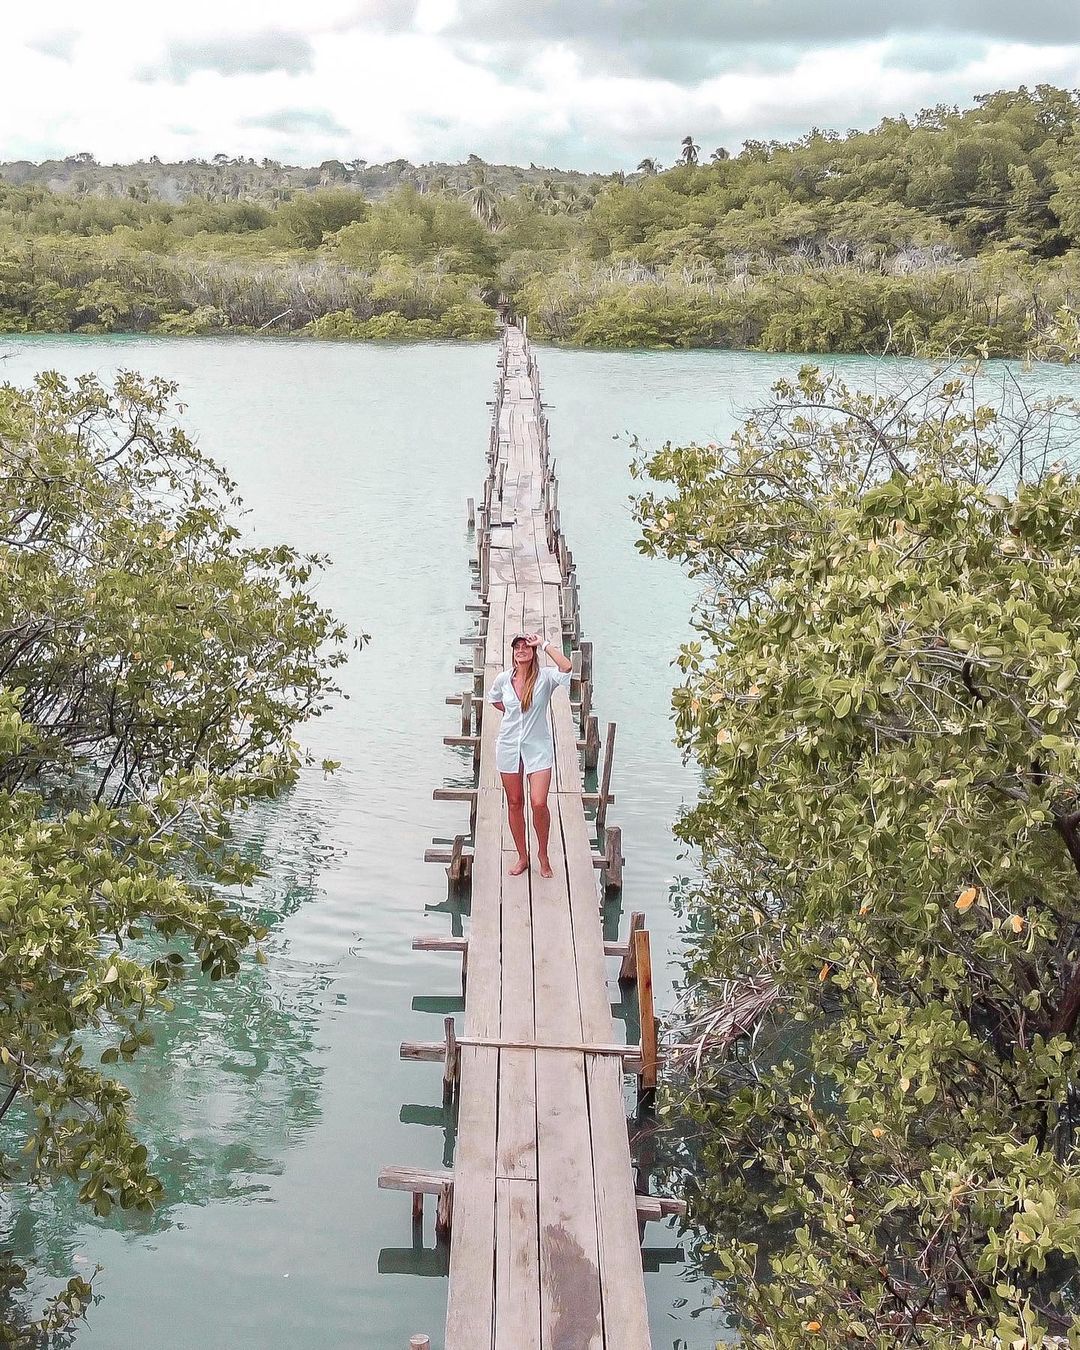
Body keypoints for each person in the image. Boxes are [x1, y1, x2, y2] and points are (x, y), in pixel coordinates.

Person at [487, 632, 573, 878]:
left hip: (538, 747)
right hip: (509, 745)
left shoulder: (545, 678)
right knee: (515, 802)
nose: (521, 650)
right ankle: (522, 856)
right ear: (513, 654)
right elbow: (494, 700)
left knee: (538, 802)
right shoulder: (504, 680)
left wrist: (543, 644)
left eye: (526, 647)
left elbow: (567, 666)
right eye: (517, 647)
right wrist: (515, 716)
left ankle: (543, 854)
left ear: (533, 652)